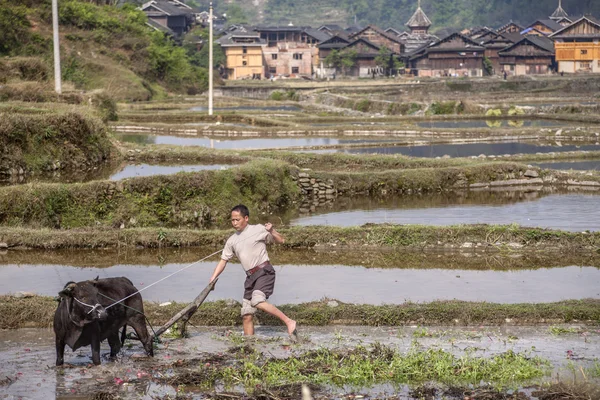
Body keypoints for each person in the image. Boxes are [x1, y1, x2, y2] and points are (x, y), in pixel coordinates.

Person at [209, 204, 298, 341]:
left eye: (237, 219)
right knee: (246, 314)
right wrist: (213, 278)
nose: (234, 223)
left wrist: (272, 231)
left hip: (264, 271)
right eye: (232, 220)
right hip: (250, 277)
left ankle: (288, 321)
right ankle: (249, 346)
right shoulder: (231, 240)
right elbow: (223, 261)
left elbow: (281, 240)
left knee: (257, 301)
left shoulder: (258, 229)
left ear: (246, 218)